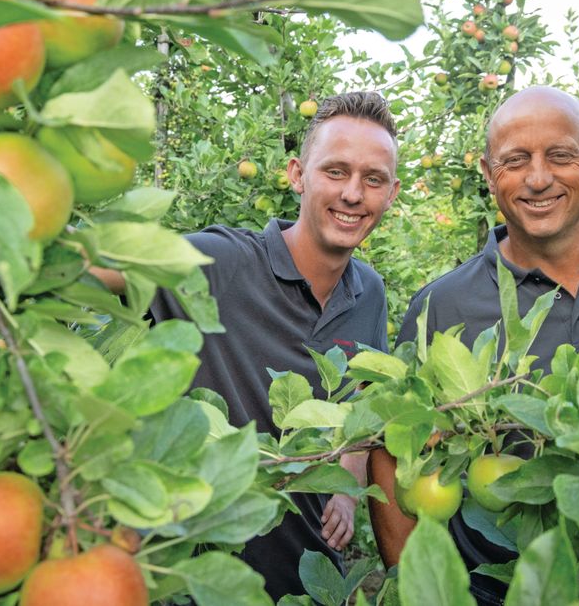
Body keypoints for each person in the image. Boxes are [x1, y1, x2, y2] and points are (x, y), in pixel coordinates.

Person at [368, 86, 579, 605]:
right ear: (490, 174)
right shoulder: (440, 310)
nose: (538, 179)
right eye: (515, 161)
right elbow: (395, 455)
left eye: (561, 155)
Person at [94, 91, 402, 600]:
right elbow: (101, 268)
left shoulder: (369, 293)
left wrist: (346, 491)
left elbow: (358, 407)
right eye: (335, 171)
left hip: (303, 579)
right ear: (297, 174)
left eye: (373, 180)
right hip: (192, 576)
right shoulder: (224, 263)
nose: (353, 193)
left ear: (390, 194)